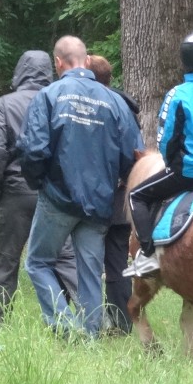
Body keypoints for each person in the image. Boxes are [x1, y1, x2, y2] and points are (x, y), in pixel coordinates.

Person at [18, 36, 143, 337]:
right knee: (90, 274)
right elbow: (134, 157)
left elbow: (33, 150)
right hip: (100, 203)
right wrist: (113, 184)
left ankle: (67, 327)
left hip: (58, 199)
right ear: (86, 61)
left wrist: (42, 185)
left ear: (58, 63)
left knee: (37, 262)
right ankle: (90, 337)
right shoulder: (114, 102)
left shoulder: (48, 96)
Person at [0, 50, 80, 324]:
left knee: (6, 260)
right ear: (49, 71)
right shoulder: (61, 101)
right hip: (54, 194)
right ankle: (87, 316)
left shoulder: (5, 104)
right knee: (65, 259)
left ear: (20, 71)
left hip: (14, 193)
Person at [125, 31, 193, 277]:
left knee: (137, 196)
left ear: (185, 59)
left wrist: (170, 164)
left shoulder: (178, 95)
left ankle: (147, 256)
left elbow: (166, 139)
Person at [87, 54, 137, 334]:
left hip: (91, 197)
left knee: (87, 258)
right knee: (118, 262)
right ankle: (122, 322)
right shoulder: (125, 107)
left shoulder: (87, 107)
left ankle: (90, 319)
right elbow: (135, 153)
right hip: (120, 196)